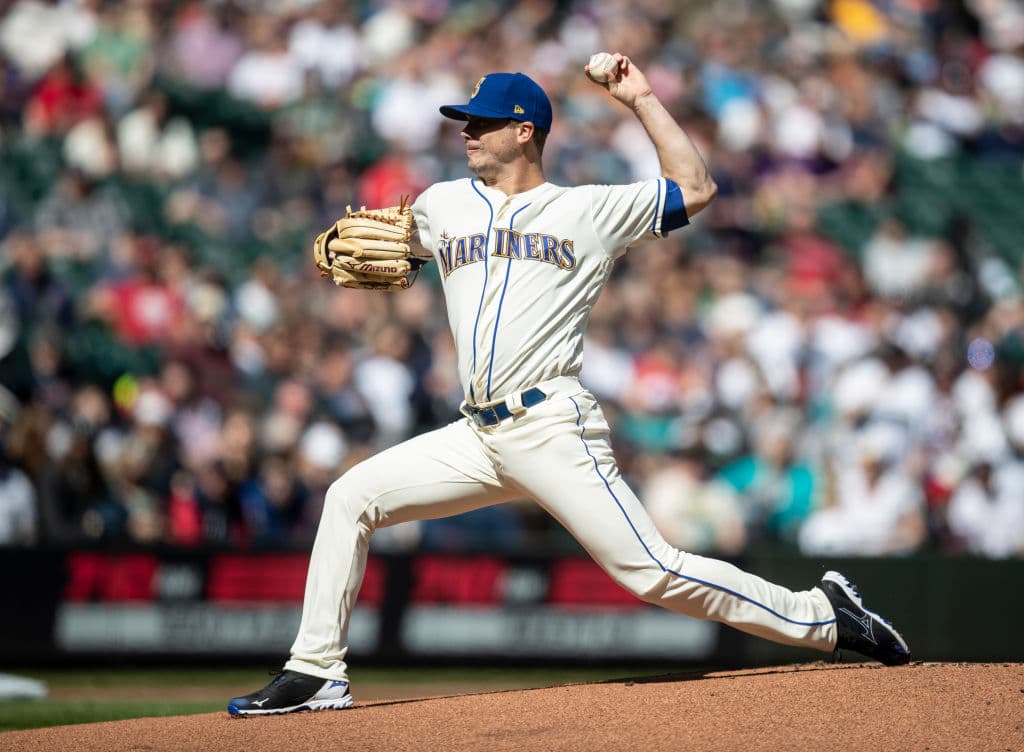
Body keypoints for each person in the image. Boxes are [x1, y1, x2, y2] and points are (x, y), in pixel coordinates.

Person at [228, 54, 910, 716]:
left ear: (525, 130)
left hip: (550, 425)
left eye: (483, 121)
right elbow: (386, 247)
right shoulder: (441, 205)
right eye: (465, 120)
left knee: (650, 570)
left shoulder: (586, 210)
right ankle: (316, 670)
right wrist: (349, 253)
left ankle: (823, 615)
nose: (467, 131)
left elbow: (696, 188)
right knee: (351, 496)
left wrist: (640, 98)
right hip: (476, 434)